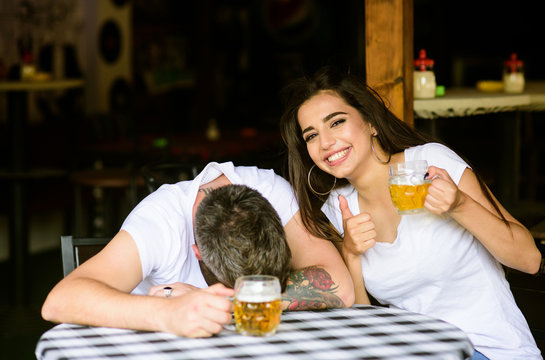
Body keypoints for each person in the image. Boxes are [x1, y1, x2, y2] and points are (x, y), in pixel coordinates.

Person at [279, 65, 543, 360]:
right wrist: (352, 255)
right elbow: (361, 324)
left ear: (370, 122)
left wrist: (460, 206)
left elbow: (530, 260)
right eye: (311, 135)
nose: (325, 142)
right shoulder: (338, 206)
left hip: (487, 349)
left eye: (337, 122)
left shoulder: (430, 163)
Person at [42, 162, 354, 338]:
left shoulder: (272, 190)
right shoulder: (159, 223)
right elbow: (59, 302)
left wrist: (222, 302)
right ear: (197, 251)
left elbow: (342, 288)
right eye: (236, 287)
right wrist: (167, 312)